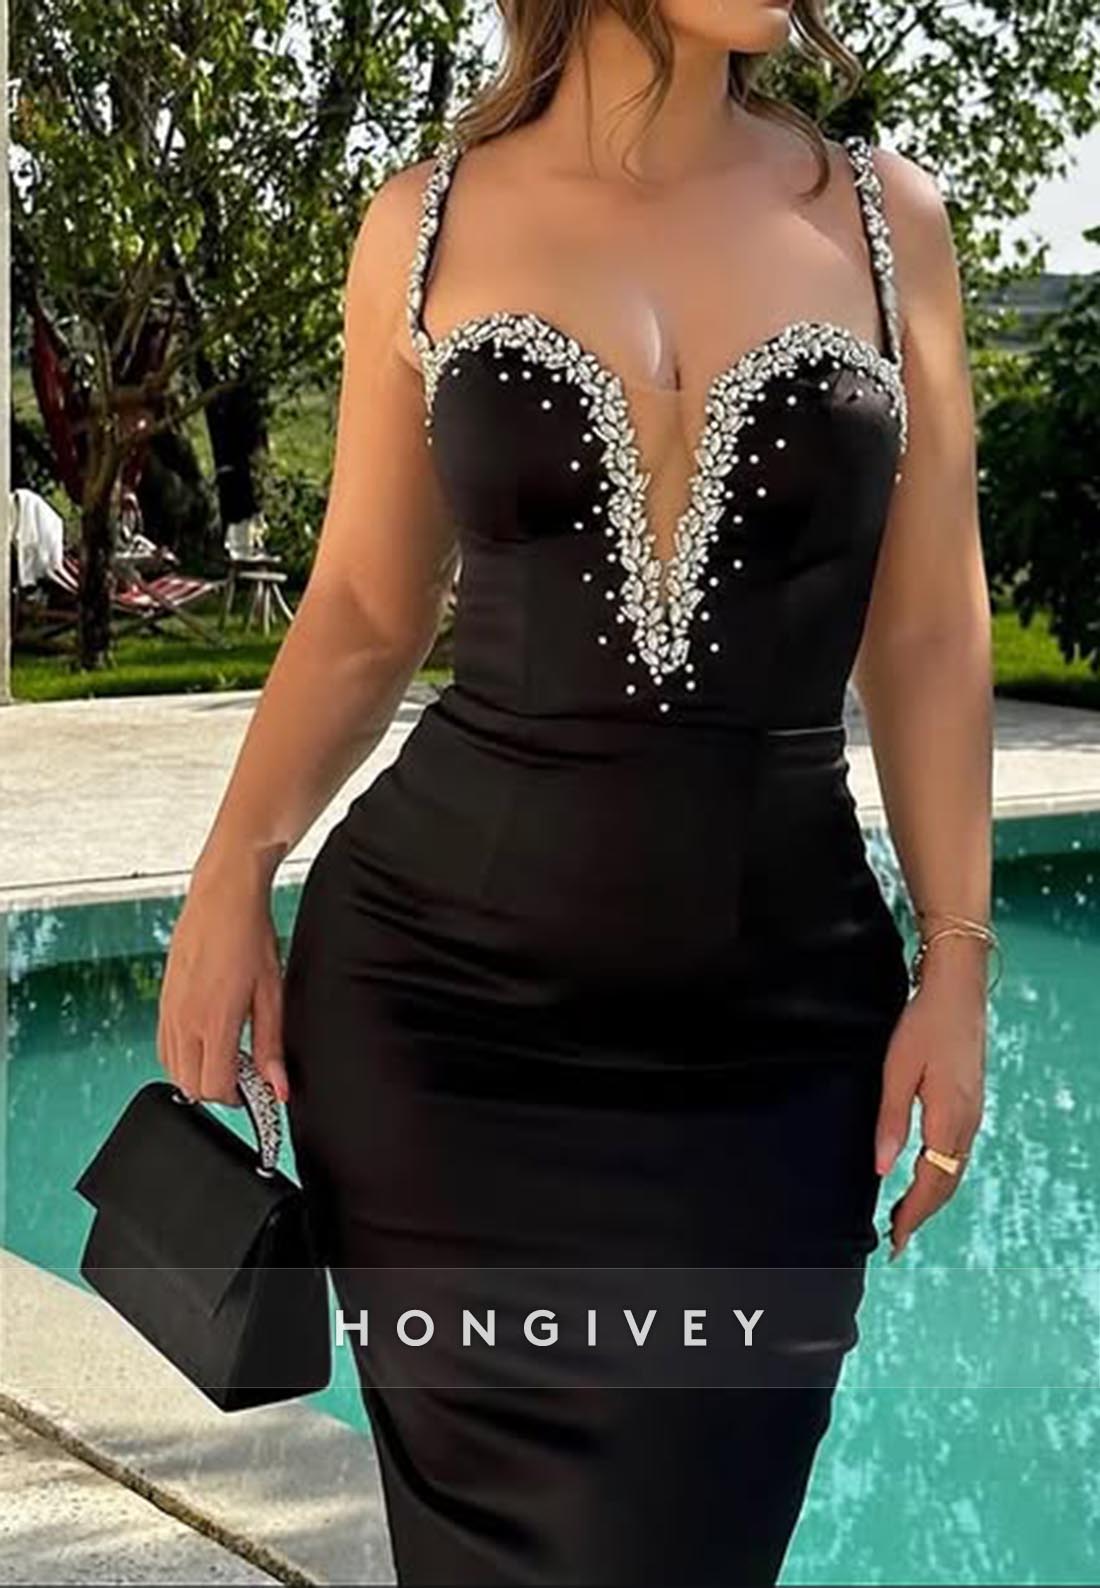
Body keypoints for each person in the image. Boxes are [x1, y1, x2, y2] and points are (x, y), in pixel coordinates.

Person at [157, 3, 996, 1582]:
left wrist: (959, 958)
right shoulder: (425, 223)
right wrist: (232, 870)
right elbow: (365, 610)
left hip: (773, 1046)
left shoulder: (892, 226)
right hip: (439, 1033)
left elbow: (934, 632)